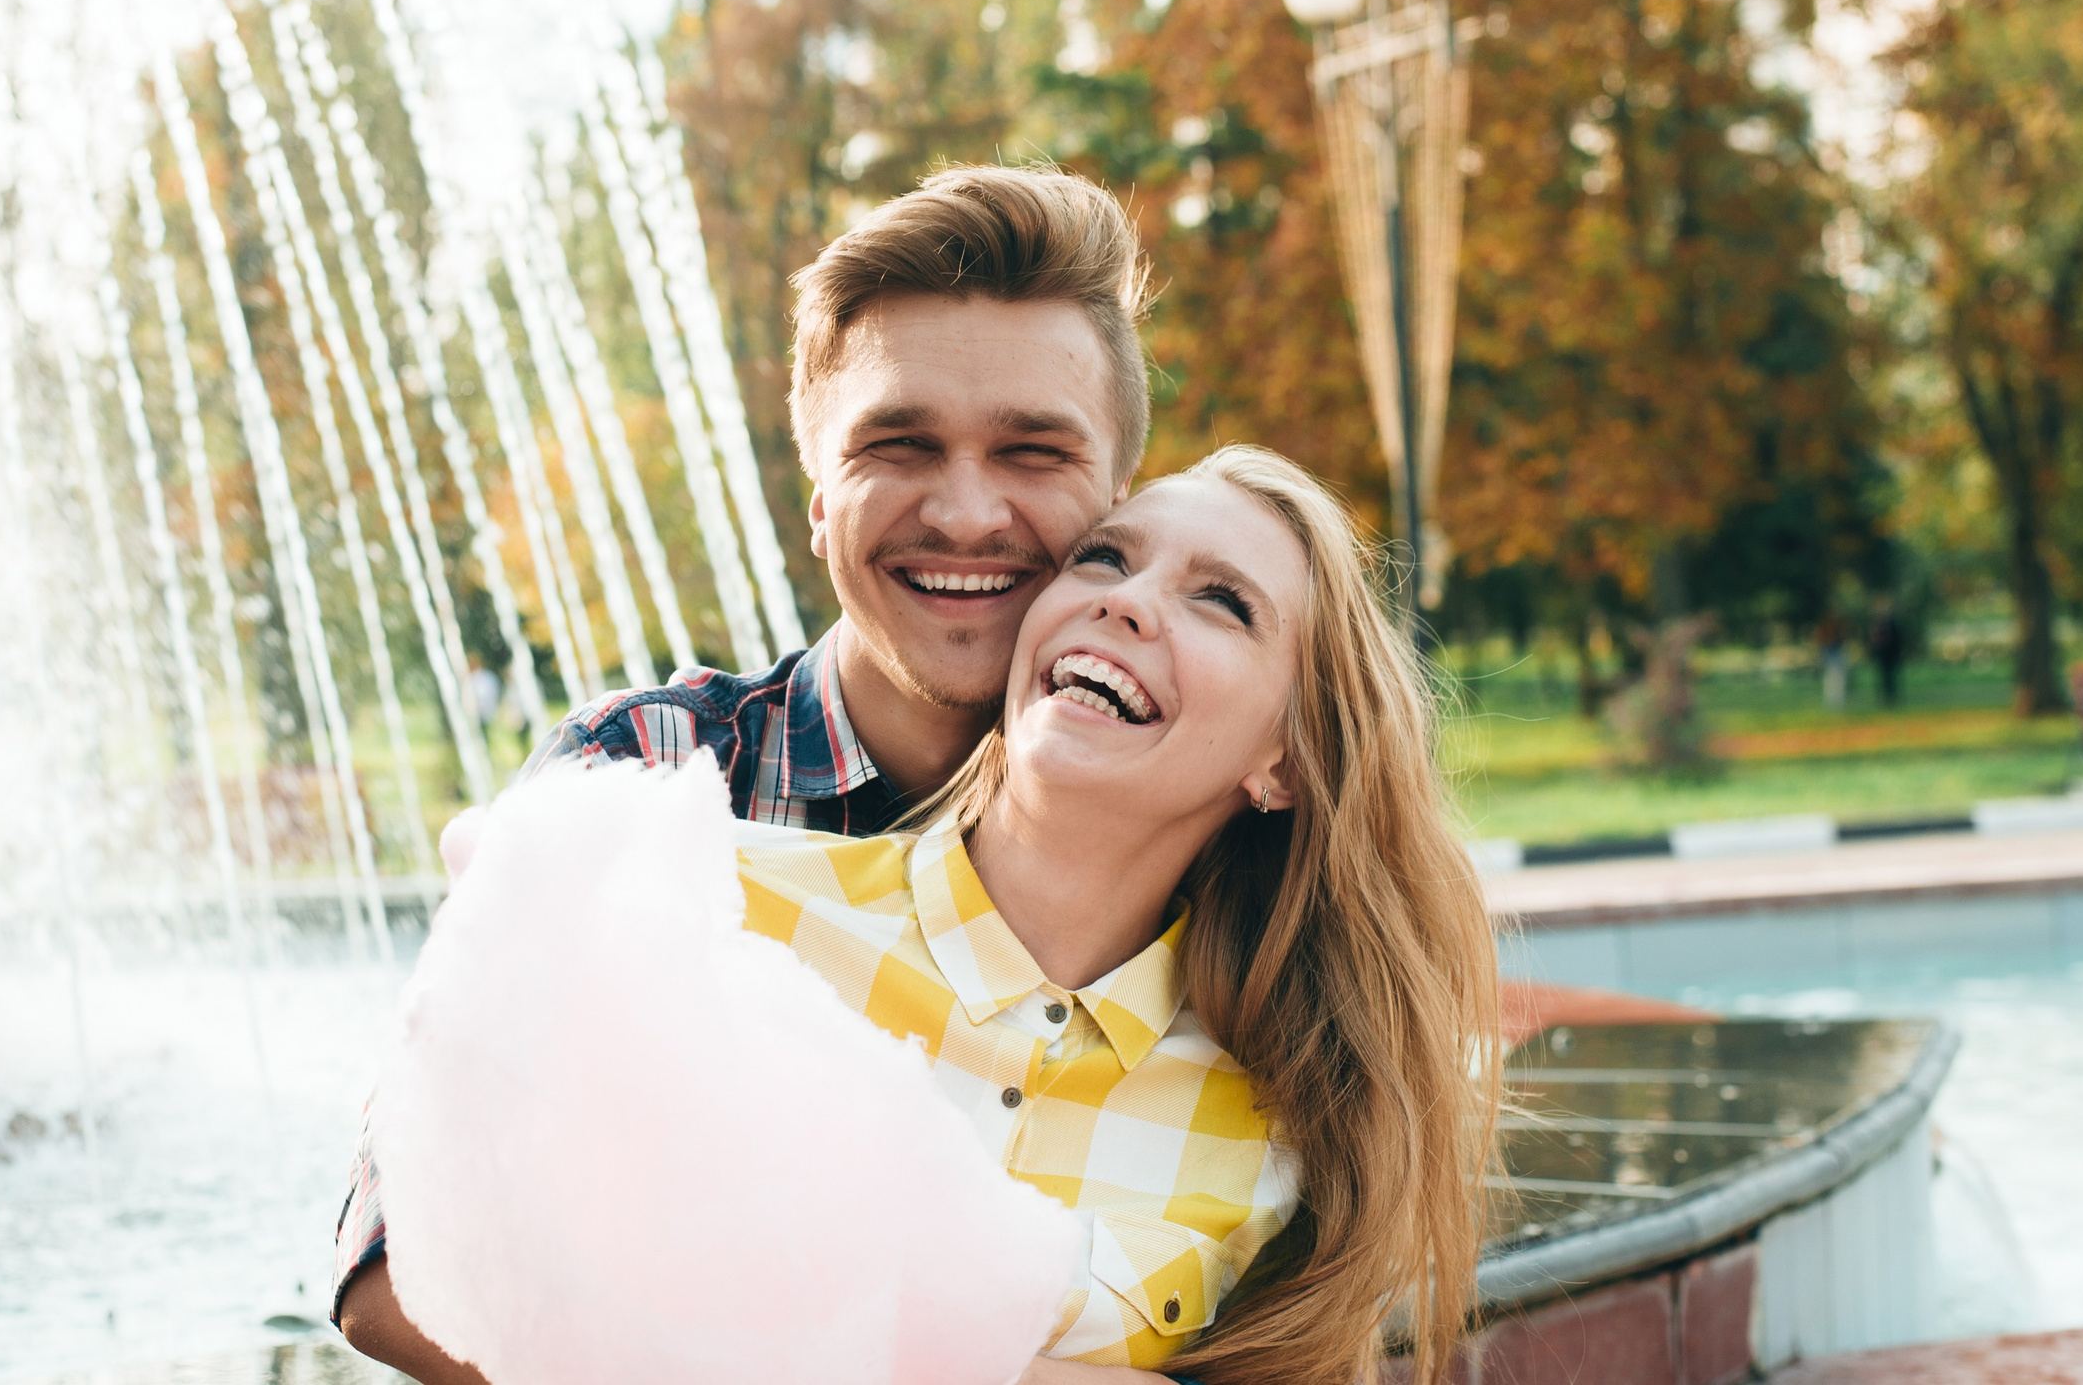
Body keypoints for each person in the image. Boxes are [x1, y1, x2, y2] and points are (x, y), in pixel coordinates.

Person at [367, 447, 1503, 1384]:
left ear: (1285, 763)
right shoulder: (721, 910)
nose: (1125, 597)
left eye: (1220, 601)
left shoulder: (1272, 1133)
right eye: (1106, 556)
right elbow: (462, 1274)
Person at [335, 164, 1153, 1366]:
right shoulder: (651, 773)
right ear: (819, 498)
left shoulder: (1189, 796)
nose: (969, 512)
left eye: (1034, 452)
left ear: (1117, 501)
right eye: (900, 444)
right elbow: (397, 1268)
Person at [1865, 596, 1906, 708]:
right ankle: (1885, 698)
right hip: (1882, 654)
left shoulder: (1891, 623)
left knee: (1891, 677)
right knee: (1883, 677)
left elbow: (1898, 639)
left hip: (1891, 654)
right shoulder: (1878, 623)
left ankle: (1891, 698)